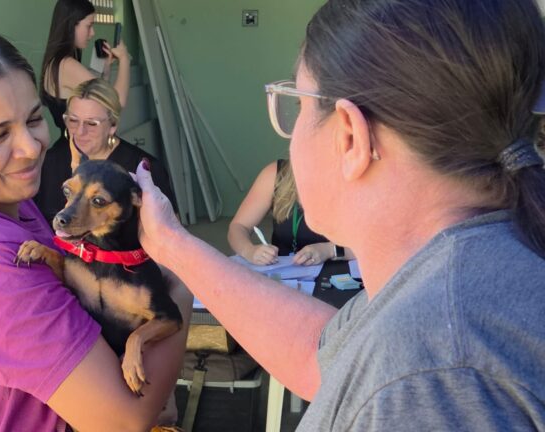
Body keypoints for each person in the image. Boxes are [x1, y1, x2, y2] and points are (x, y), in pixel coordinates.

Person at [132, 0, 545, 430]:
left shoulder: (428, 374)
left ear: (350, 137)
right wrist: (171, 243)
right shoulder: (466, 267)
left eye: (298, 105)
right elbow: (323, 355)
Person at [0, 24, 191, 431]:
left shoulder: (7, 206)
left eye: (34, 119)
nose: (31, 147)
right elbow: (123, 420)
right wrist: (181, 287)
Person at [35, 78, 177, 224]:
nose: (80, 131)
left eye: (91, 123)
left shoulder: (145, 169)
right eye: (73, 120)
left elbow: (170, 230)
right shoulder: (47, 163)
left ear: (113, 125)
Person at [228, 158, 353, 266]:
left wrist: (330, 250)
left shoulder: (354, 173)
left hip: (341, 276)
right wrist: (249, 251)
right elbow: (239, 226)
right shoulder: (276, 174)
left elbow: (366, 245)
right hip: (286, 276)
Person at [41, 0, 130, 140]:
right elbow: (117, 103)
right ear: (71, 25)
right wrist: (124, 59)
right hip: (76, 146)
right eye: (89, 26)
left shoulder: (58, 62)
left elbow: (97, 99)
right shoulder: (66, 65)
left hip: (71, 142)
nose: (92, 33)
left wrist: (106, 69)